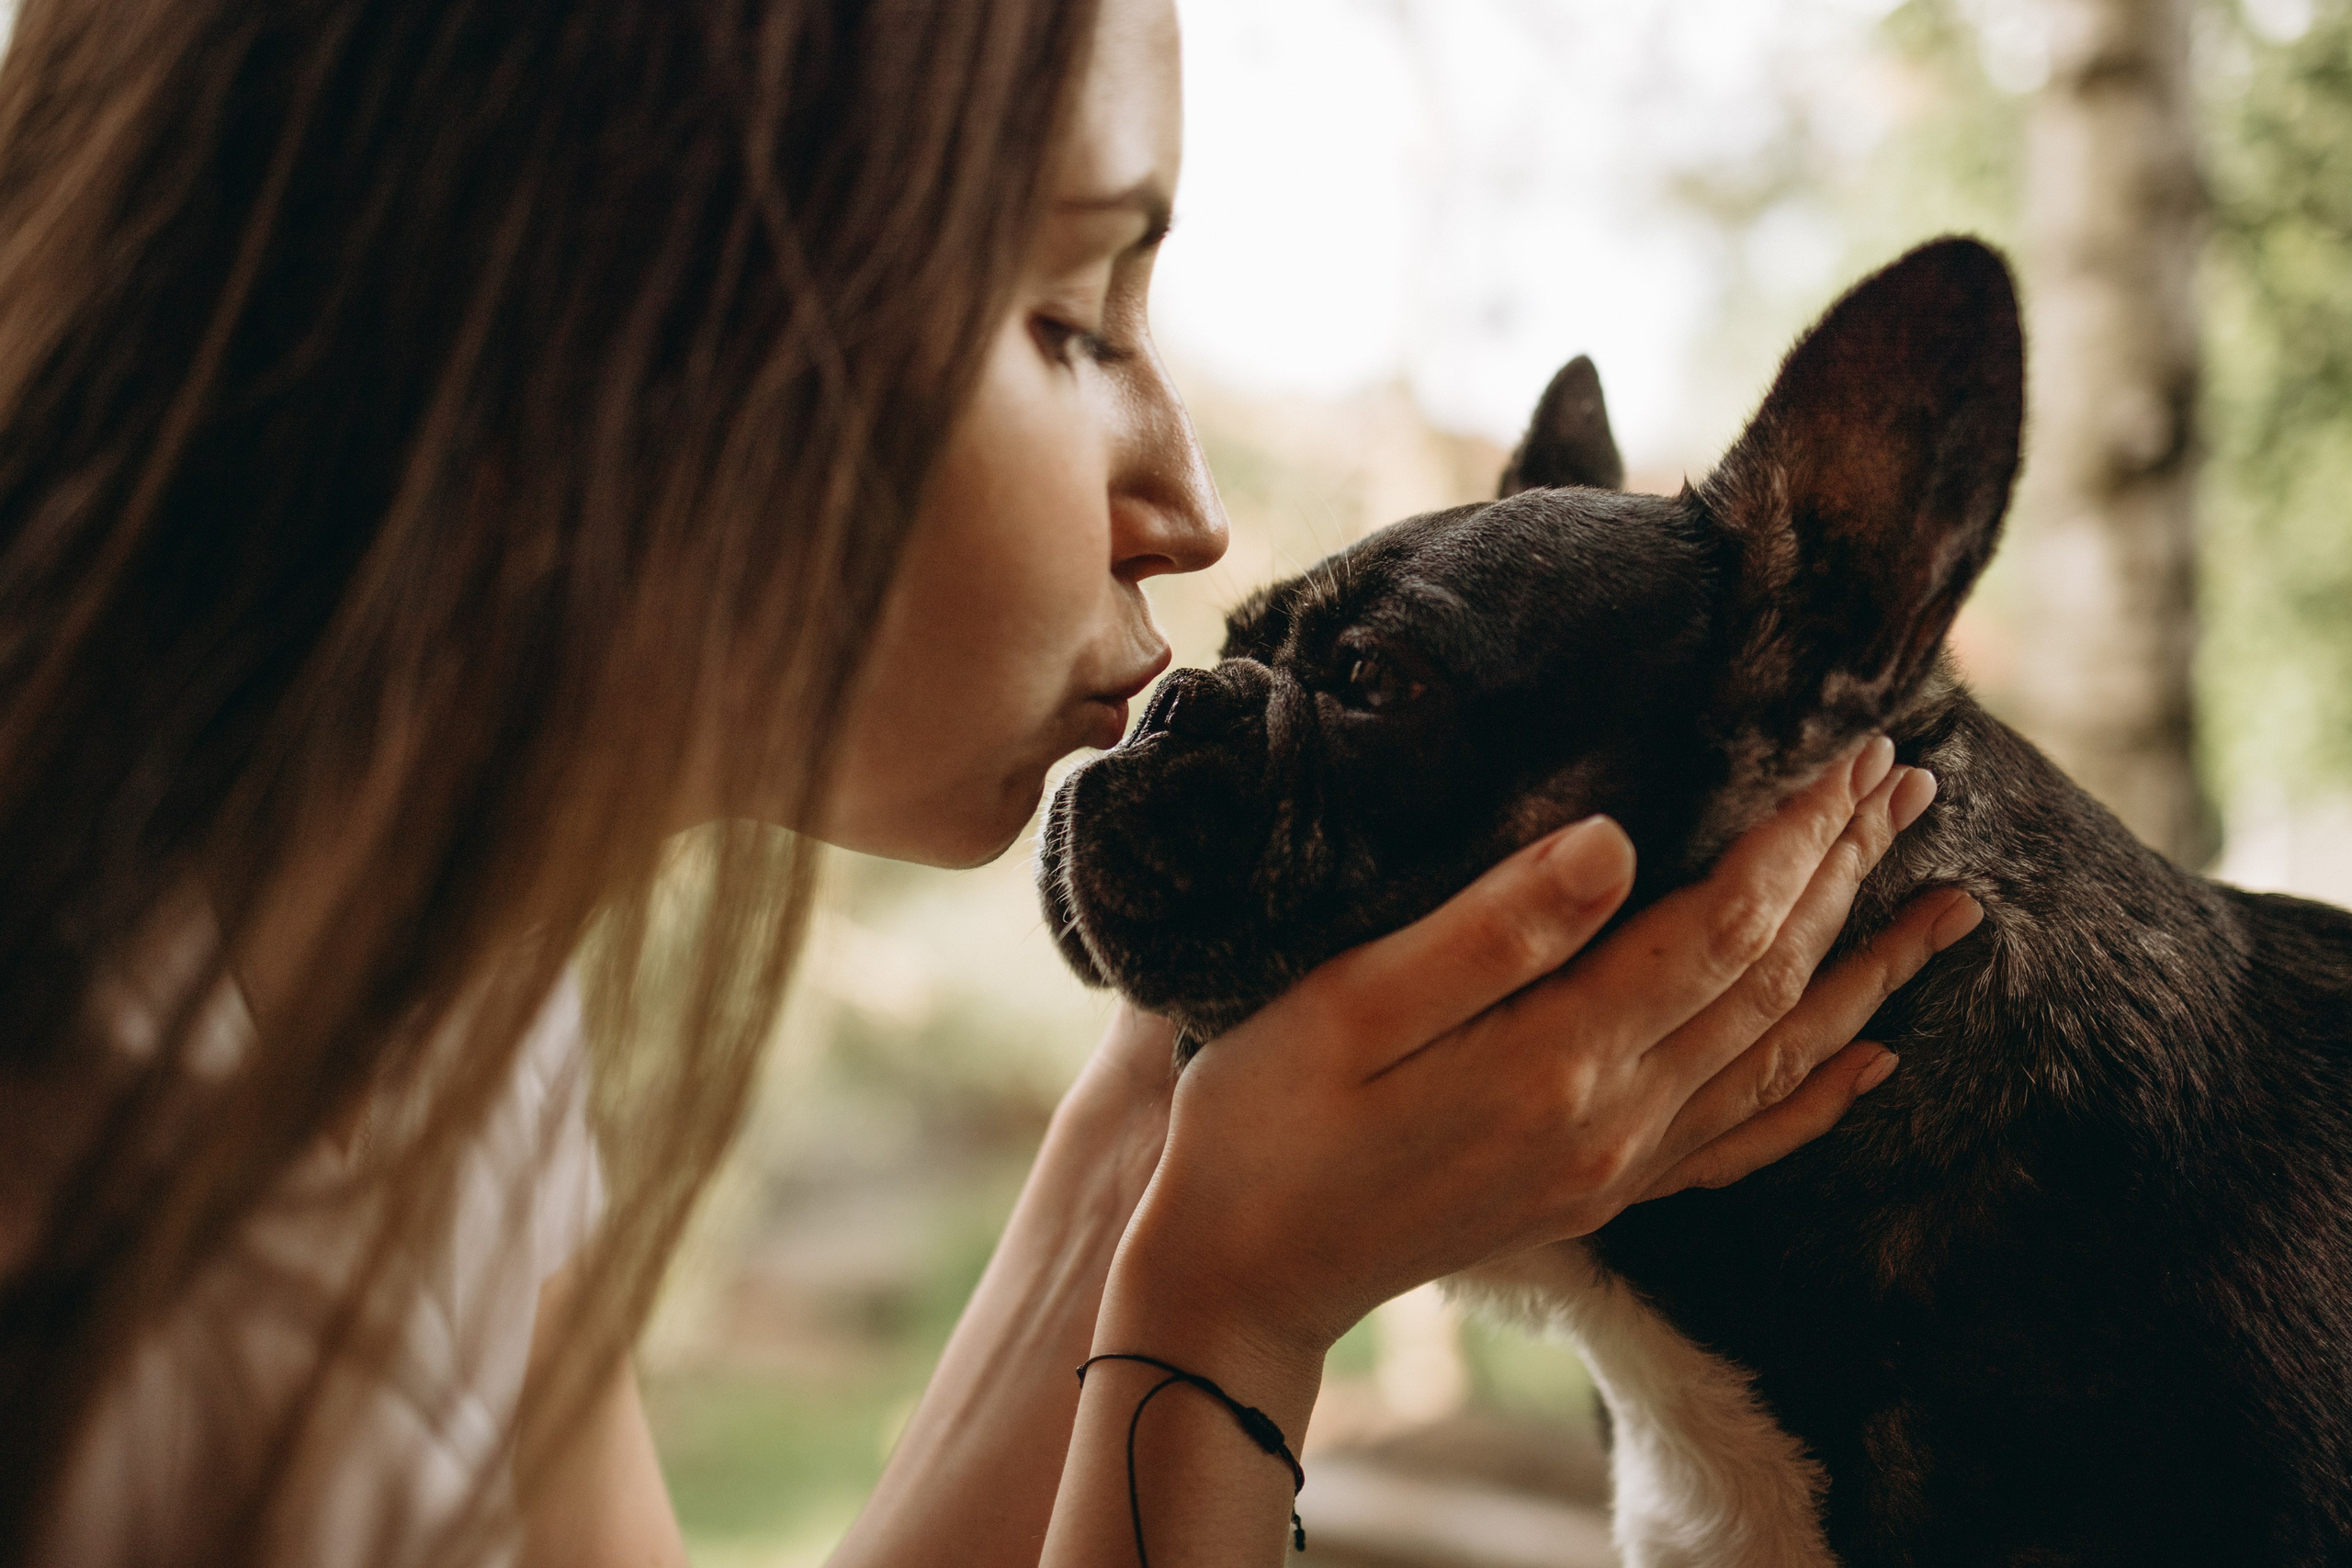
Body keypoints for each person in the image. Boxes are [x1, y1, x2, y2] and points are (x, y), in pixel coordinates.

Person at [0, 0, 1979, 1563]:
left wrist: (1182, 1100)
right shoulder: (120, 1307)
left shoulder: (423, 1016)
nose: (1189, 512)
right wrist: (1228, 1314)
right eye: (1070, 318)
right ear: (579, 330)